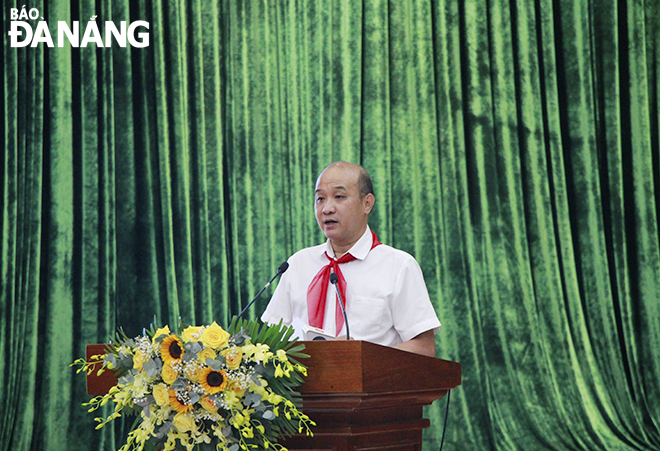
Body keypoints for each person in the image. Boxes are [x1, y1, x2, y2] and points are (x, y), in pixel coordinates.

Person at [261, 161, 440, 356]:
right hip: (302, 385)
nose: (327, 208)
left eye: (339, 197)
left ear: (367, 204)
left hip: (370, 385)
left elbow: (423, 348)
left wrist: (360, 358)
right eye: (320, 199)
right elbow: (269, 341)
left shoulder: (398, 266)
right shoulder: (297, 264)